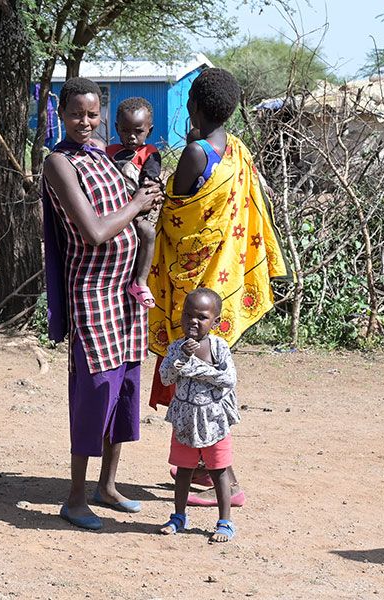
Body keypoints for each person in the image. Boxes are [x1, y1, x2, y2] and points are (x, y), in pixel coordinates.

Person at [147, 68, 287, 508]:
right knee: (206, 381)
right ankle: (203, 467)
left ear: (193, 105)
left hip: (192, 289)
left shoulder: (194, 153)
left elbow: (175, 214)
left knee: (196, 385)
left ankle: (219, 477)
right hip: (221, 286)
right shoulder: (237, 149)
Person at [40, 77, 162, 530]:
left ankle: (107, 485)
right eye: (76, 114)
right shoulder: (59, 162)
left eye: (92, 115)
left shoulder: (102, 156)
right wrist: (138, 205)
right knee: (94, 395)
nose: (85, 122)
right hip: (92, 292)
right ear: (62, 115)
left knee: (124, 391)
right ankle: (74, 498)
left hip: (128, 294)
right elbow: (92, 230)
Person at [157, 288, 240, 543]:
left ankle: (225, 522)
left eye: (202, 317)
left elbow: (228, 379)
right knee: (183, 470)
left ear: (215, 322)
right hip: (185, 420)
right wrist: (181, 357)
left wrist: (195, 368)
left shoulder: (219, 347)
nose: (193, 321)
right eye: (188, 315)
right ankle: (178, 516)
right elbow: (165, 377)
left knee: (218, 471)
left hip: (213, 420)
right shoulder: (176, 348)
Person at [106, 97, 162, 309]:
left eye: (138, 131)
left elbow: (149, 182)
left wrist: (149, 192)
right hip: (111, 210)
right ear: (116, 128)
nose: (131, 136)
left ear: (149, 130)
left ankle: (140, 281)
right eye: (125, 130)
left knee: (148, 232)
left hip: (137, 212)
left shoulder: (150, 154)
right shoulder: (108, 152)